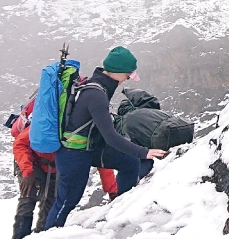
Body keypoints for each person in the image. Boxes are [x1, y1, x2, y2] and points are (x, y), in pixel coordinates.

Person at [45, 46, 167, 229]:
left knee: (130, 163)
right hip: (73, 154)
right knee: (66, 203)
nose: (127, 79)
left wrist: (136, 153)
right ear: (117, 72)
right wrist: (144, 152)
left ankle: (120, 212)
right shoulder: (96, 94)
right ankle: (49, 233)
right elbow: (110, 136)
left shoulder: (99, 86)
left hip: (91, 149)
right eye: (127, 74)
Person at [9, 107, 116, 239]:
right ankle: (19, 235)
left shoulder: (91, 136)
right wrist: (27, 171)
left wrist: (112, 191)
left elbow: (102, 162)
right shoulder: (53, 122)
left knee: (51, 203)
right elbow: (20, 143)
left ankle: (41, 234)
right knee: (28, 196)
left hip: (57, 166)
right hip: (32, 161)